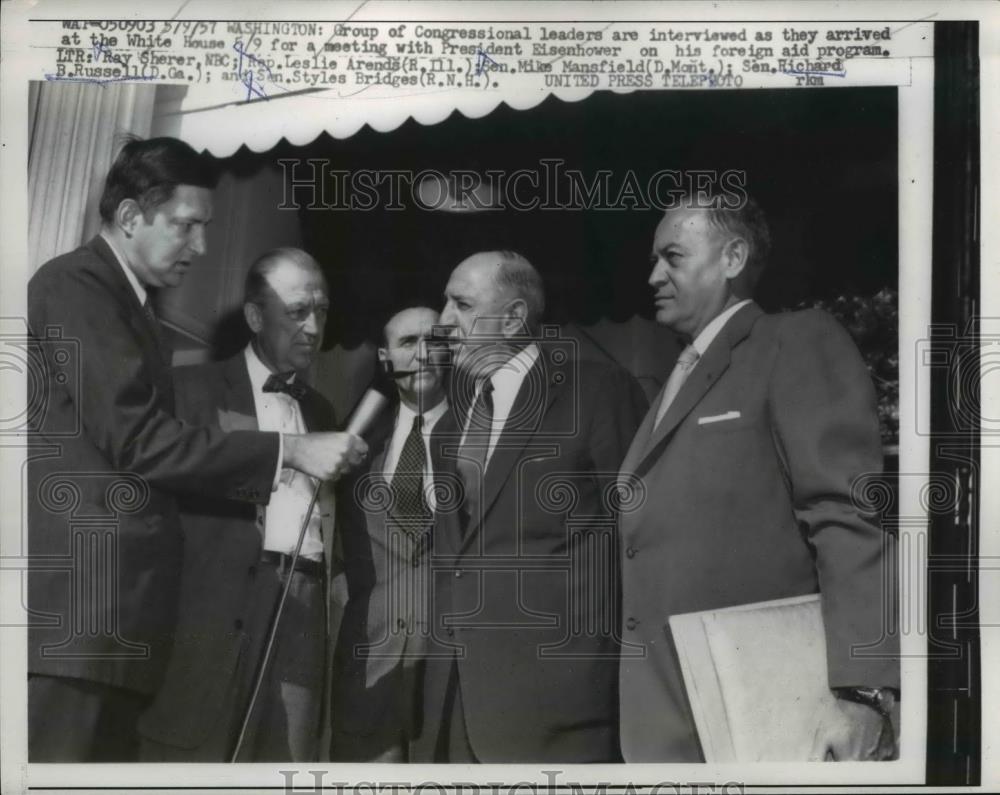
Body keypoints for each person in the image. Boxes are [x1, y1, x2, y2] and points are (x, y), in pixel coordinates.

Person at [26, 138, 366, 762]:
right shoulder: (77, 283)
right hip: (81, 616)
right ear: (131, 216)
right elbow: (139, 440)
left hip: (111, 623)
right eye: (187, 226)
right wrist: (289, 450)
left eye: (206, 228)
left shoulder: (132, 305)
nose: (202, 246)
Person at [616, 193, 900, 762]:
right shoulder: (678, 376)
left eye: (673, 257)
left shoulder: (792, 342)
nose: (654, 276)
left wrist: (864, 689)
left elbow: (847, 514)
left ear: (733, 258)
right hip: (664, 710)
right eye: (653, 260)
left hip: (760, 707)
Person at [411, 250, 647, 763]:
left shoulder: (597, 391)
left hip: (564, 709)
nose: (443, 320)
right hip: (456, 706)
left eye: (462, 304)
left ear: (515, 317)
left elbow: (640, 542)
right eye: (444, 302)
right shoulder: (448, 427)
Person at [135, 248, 343, 761]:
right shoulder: (189, 390)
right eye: (298, 312)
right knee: (192, 759)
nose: (314, 327)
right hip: (214, 611)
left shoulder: (323, 410)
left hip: (304, 605)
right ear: (255, 316)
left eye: (321, 311)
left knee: (287, 763)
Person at [330, 306, 452, 762]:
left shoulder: (483, 436)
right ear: (385, 357)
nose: (422, 354)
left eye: (435, 340)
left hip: (450, 671)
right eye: (407, 342)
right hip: (368, 667)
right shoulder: (352, 444)